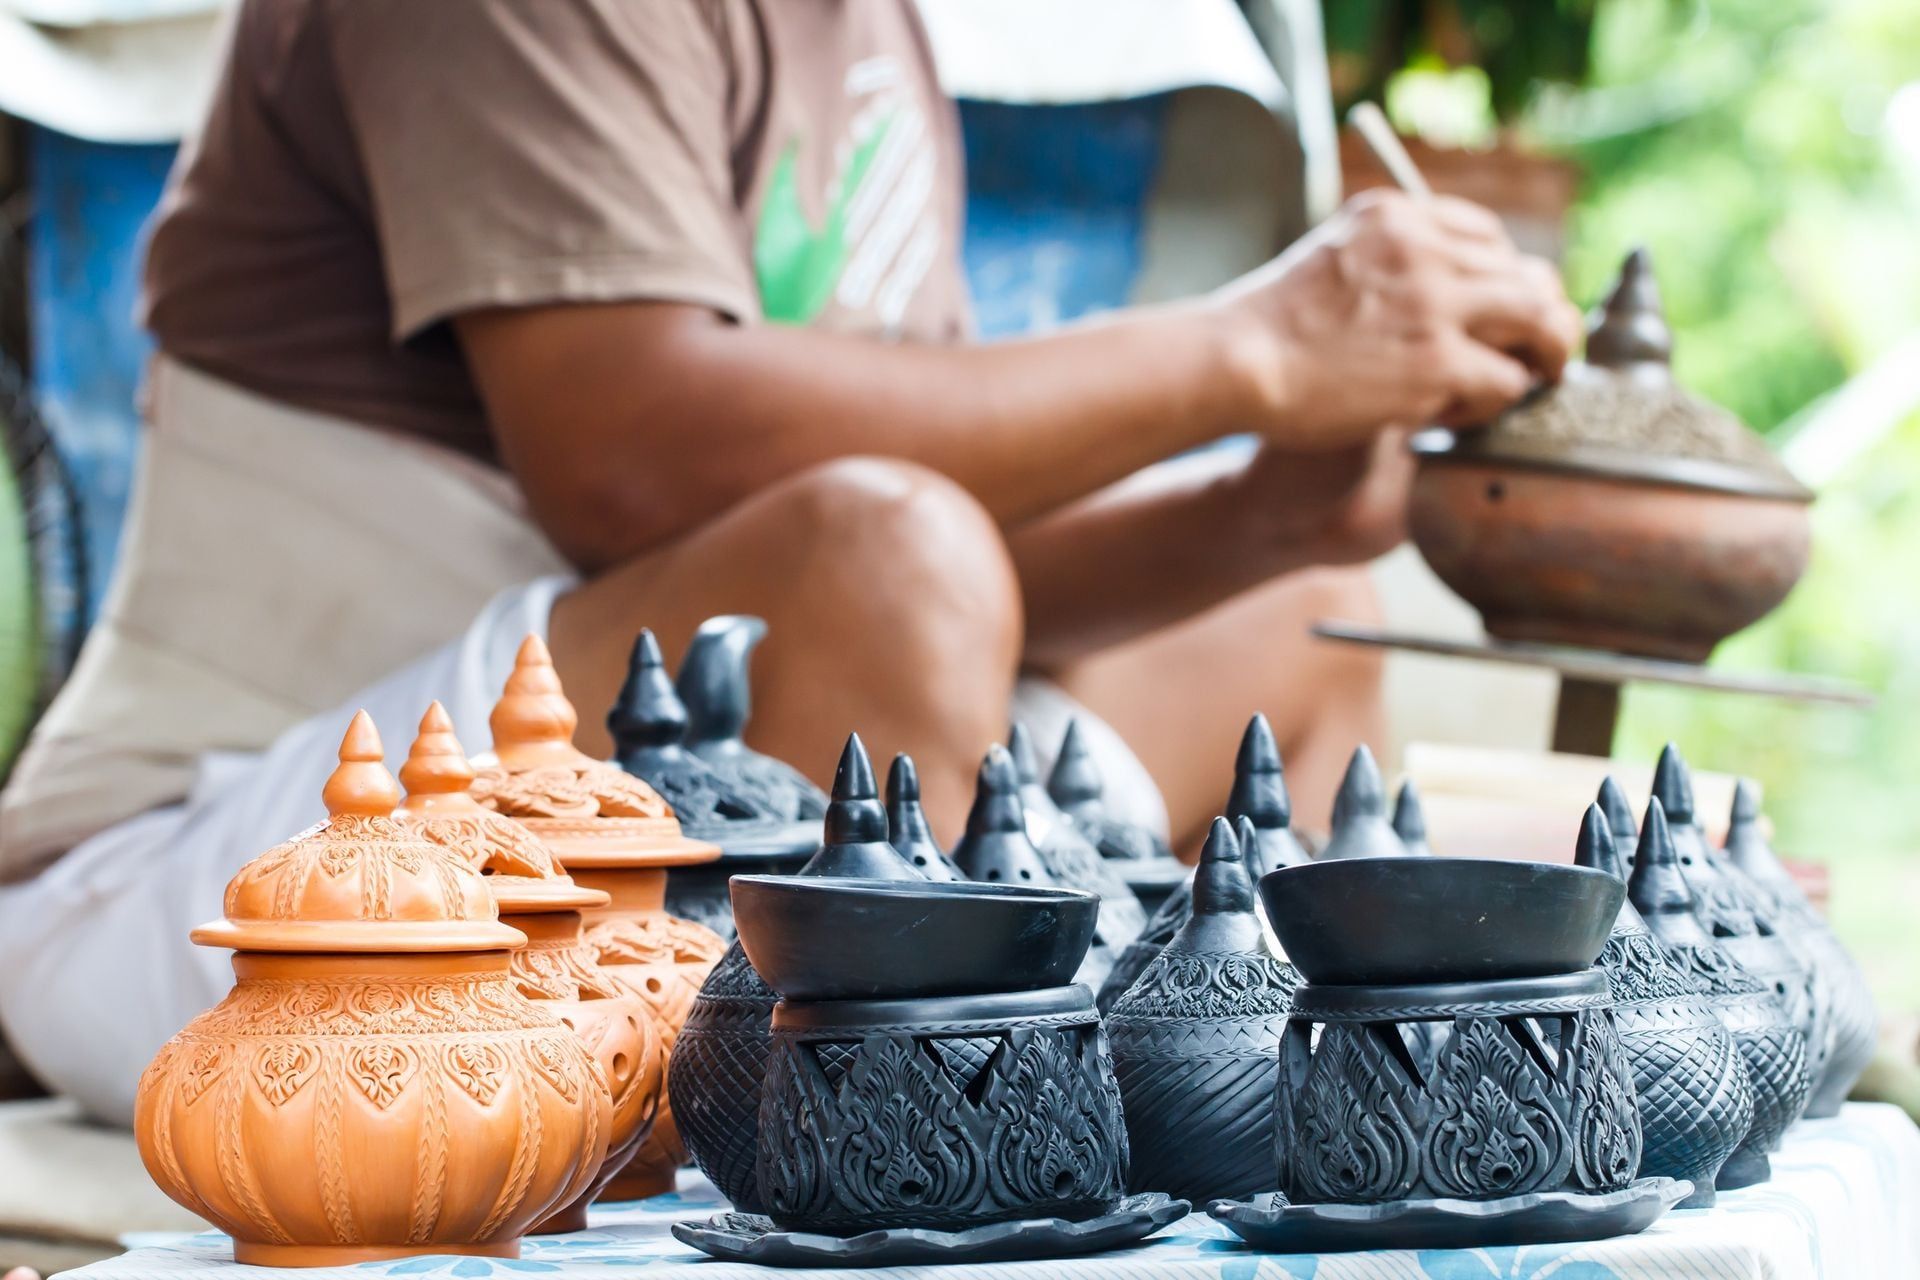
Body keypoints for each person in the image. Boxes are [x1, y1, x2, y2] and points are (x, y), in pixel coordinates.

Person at [0, 0, 1577, 1124]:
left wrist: (1267, 516)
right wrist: (1249, 349)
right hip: (237, 877)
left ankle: (1246, 1121)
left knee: (1293, 619)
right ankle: (987, 1134)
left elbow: (952, 568)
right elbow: (632, 449)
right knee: (881, 567)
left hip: (636, 786)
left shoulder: (871, 31)